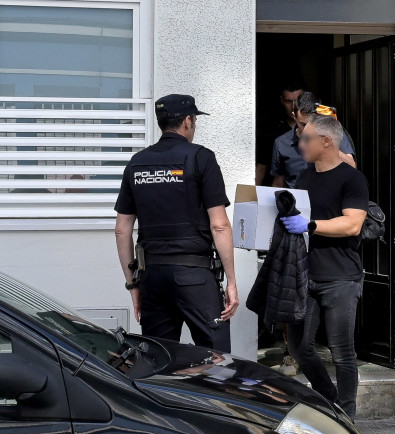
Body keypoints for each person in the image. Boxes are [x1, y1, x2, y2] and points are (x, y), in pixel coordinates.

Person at [114, 94, 239, 353]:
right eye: (195, 121)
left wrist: (133, 285)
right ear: (188, 121)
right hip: (195, 277)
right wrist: (231, 282)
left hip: (153, 279)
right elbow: (220, 225)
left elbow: (122, 229)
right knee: (216, 359)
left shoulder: (136, 163)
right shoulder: (201, 158)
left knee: (159, 359)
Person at [279, 113, 369, 418]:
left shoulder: (352, 179)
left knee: (342, 353)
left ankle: (347, 417)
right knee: (299, 348)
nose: (300, 143)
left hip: (340, 278)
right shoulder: (305, 177)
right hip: (306, 275)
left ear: (326, 142)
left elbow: (352, 224)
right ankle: (329, 399)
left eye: (306, 138)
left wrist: (310, 225)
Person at [270, 92, 357, 189]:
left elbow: (351, 166)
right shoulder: (281, 143)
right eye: (303, 124)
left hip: (327, 195)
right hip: (297, 196)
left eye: (312, 123)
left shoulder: (332, 134)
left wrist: (328, 141)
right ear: (294, 116)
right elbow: (278, 183)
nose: (308, 129)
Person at [255, 80, 304, 185]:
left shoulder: (318, 128)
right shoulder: (273, 131)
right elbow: (261, 167)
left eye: (297, 101)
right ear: (282, 100)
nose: (294, 106)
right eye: (288, 101)